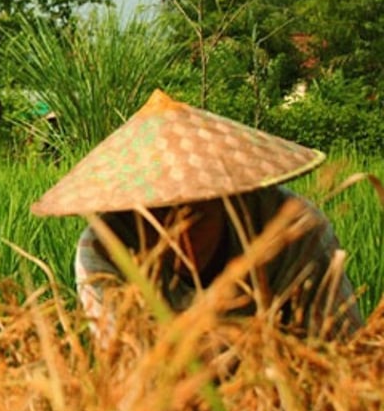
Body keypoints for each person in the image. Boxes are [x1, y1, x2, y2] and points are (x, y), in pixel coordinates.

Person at [31, 89, 364, 344]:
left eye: (197, 218)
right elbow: (126, 379)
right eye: (159, 223)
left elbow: (342, 357)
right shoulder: (106, 252)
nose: (180, 243)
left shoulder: (293, 231)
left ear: (228, 199)